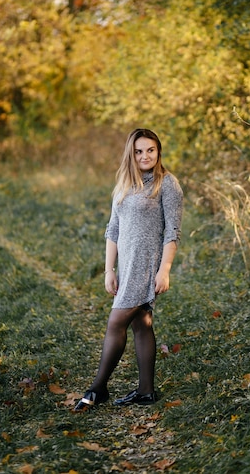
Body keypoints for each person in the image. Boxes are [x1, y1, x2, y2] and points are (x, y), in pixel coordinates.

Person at [74, 128, 183, 410]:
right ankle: (146, 391)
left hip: (147, 264)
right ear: (130, 154)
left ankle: (98, 389)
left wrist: (165, 269)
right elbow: (114, 229)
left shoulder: (167, 184)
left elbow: (172, 231)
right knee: (141, 322)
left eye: (150, 150)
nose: (145, 156)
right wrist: (109, 269)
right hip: (126, 264)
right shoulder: (124, 183)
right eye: (138, 151)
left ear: (158, 151)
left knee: (116, 323)